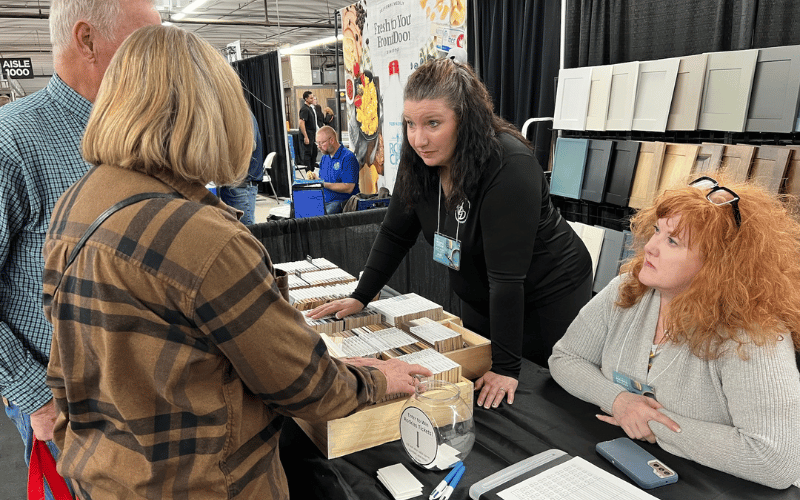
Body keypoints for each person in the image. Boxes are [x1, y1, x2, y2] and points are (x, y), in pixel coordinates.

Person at [42, 25, 431, 499]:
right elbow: (302, 385)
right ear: (212, 114)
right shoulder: (203, 237)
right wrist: (375, 379)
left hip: (103, 476)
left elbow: (66, 364)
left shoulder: (76, 204)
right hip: (203, 484)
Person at [309, 58, 593, 409]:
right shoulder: (420, 160)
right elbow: (396, 233)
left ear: (466, 119)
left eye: (433, 123)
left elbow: (507, 279)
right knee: (478, 377)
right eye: (411, 124)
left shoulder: (509, 166)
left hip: (546, 290)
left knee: (532, 392)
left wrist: (506, 367)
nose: (419, 139)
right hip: (486, 291)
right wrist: (361, 295)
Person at [0, 0, 161, 495]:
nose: (157, 57)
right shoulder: (14, 141)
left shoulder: (141, 134)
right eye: (144, 39)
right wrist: (36, 398)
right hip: (68, 413)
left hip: (149, 402)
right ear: (87, 40)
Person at [549, 177, 800, 489]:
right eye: (657, 230)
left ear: (717, 265)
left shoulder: (753, 336)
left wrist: (652, 423)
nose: (650, 247)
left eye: (673, 242)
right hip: (625, 466)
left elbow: (774, 460)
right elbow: (566, 358)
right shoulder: (629, 289)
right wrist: (619, 400)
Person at [219, 111, 264, 225]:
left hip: (241, 186)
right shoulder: (239, 113)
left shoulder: (242, 113)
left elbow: (250, 145)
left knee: (246, 232)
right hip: (234, 185)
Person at [307, 125, 360, 214]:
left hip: (343, 203)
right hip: (325, 200)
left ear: (331, 140)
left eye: (321, 143)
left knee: (321, 217)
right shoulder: (324, 158)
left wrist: (322, 184)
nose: (318, 146)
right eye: (317, 143)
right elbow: (323, 181)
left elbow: (349, 187)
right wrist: (316, 180)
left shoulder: (348, 157)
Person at [298, 90, 318, 171]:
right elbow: (301, 123)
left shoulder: (310, 108)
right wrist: (306, 137)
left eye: (313, 97)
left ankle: (312, 170)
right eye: (311, 98)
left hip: (312, 134)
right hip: (307, 134)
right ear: (306, 99)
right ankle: (308, 172)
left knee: (314, 152)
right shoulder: (304, 109)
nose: (313, 99)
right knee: (308, 153)